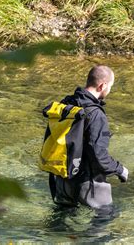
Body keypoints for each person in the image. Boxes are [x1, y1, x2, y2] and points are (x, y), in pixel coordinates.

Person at [50, 65, 129, 209]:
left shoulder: (67, 103)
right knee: (105, 217)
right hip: (87, 183)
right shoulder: (96, 114)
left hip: (62, 179)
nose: (109, 90)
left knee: (61, 220)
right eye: (110, 86)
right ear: (102, 85)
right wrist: (119, 169)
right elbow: (99, 156)